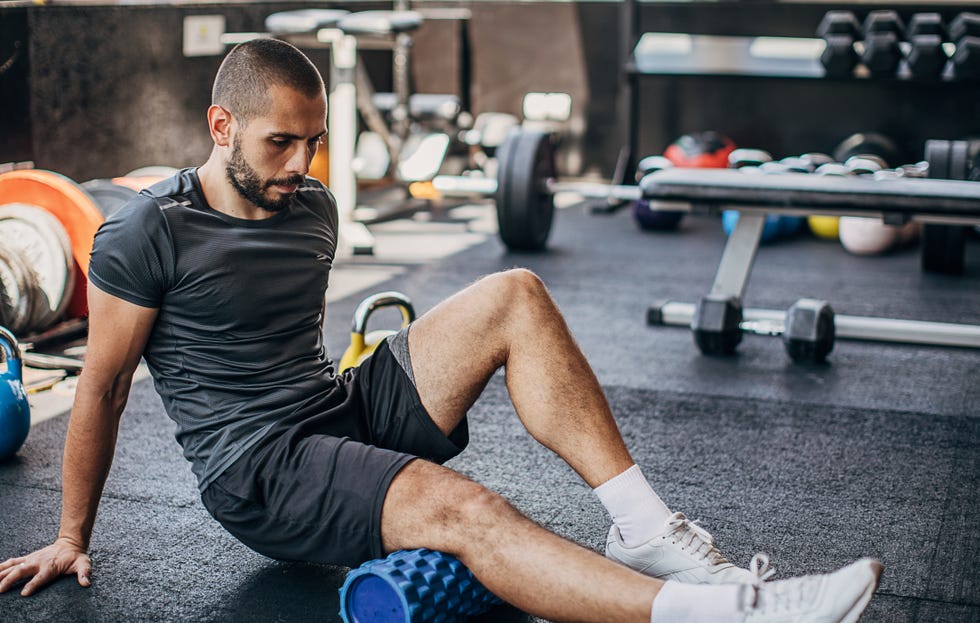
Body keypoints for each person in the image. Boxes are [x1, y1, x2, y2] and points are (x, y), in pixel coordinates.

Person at [0, 39, 881, 623]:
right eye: (280, 143)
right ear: (220, 125)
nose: (303, 166)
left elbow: (290, 339)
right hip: (258, 469)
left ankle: (643, 529)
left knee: (515, 293)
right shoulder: (143, 232)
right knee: (467, 509)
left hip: (333, 410)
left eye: (314, 141)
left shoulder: (314, 209)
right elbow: (106, 386)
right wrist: (74, 535)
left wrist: (360, 412)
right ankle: (736, 613)